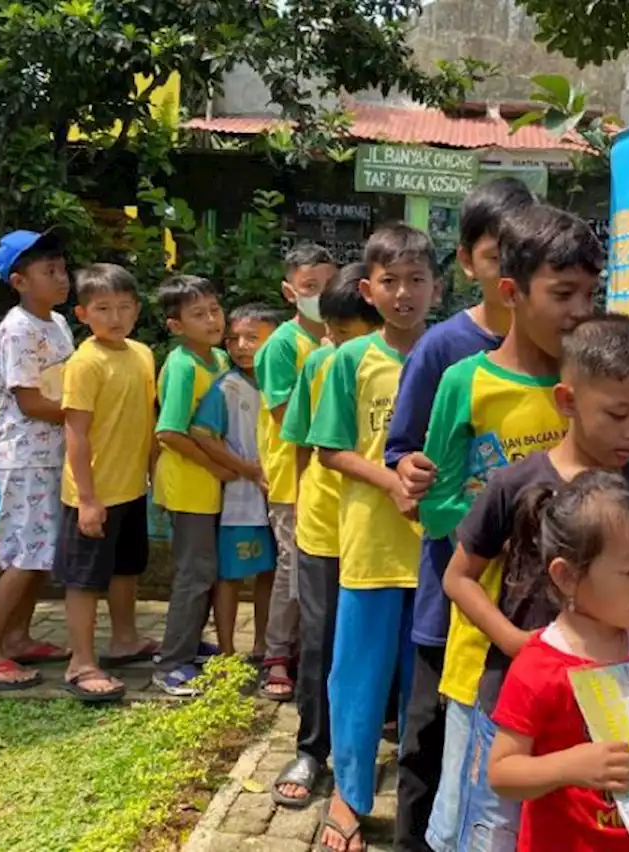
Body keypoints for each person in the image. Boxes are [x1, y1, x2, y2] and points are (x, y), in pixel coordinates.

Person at [442, 314, 629, 850]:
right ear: (567, 400)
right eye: (617, 414)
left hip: (609, 708)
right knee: (493, 829)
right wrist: (512, 641)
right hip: (516, 694)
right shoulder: (514, 483)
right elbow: (458, 577)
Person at [418, 203, 600, 852]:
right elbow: (435, 510)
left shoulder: (592, 385)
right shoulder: (466, 383)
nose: (580, 310)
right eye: (562, 294)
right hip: (490, 650)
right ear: (511, 293)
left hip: (581, 646)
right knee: (479, 818)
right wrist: (507, 513)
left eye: (590, 292)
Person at [385, 177, 535, 852]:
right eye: (493, 253)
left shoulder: (563, 348)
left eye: (519, 252)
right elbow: (403, 451)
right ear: (470, 260)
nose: (507, 267)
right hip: (450, 588)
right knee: (426, 734)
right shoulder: (444, 350)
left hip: (534, 602)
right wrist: (407, 472)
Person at [310, 224, 438, 852]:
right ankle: (348, 795)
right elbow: (329, 449)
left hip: (438, 551)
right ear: (368, 289)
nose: (404, 293)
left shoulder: (452, 358)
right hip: (370, 545)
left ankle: (431, 804)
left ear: (438, 286)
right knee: (356, 676)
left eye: (417, 280)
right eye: (390, 281)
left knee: (428, 688)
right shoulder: (348, 361)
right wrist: (388, 481)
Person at [487, 470, 629, 852]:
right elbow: (501, 772)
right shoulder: (538, 668)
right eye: (628, 571)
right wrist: (570, 766)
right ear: (566, 576)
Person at [274, 262, 382, 808]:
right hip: (324, 526)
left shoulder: (412, 361)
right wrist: (296, 511)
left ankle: (373, 740)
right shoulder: (320, 363)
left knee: (376, 643)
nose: (333, 341)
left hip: (386, 530)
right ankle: (312, 749)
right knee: (319, 640)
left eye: (345, 332)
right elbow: (297, 441)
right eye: (332, 331)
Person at [0, 230, 74, 690]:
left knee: (41, 554)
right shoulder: (18, 330)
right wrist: (89, 410)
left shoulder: (57, 323)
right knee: (25, 556)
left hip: (54, 453)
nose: (62, 279)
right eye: (50, 272)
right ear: (19, 280)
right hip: (28, 456)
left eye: (63, 270)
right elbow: (31, 403)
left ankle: (18, 636)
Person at [53, 263, 158, 702]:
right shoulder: (84, 362)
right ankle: (80, 661)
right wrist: (89, 498)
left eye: (124, 307)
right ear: (83, 314)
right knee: (84, 579)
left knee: (125, 568)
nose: (115, 317)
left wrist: (152, 469)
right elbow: (75, 433)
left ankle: (124, 640)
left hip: (132, 487)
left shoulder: (142, 353)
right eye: (103, 308)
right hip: (92, 493)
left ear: (136, 309)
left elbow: (145, 417)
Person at [256, 243, 338, 701]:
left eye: (328, 285)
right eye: (310, 287)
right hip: (292, 478)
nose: (321, 295)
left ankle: (310, 652)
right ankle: (276, 656)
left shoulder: (338, 340)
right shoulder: (283, 345)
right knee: (293, 568)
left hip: (325, 478)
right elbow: (287, 415)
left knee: (315, 571)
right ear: (290, 292)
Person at [152, 275, 233, 696]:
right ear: (176, 325)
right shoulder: (183, 365)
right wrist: (216, 468)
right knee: (193, 574)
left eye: (215, 310)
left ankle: (188, 644)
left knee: (208, 569)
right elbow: (169, 432)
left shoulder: (218, 358)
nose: (211, 320)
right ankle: (171, 663)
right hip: (189, 487)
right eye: (198, 314)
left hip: (209, 487)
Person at [191, 303, 281, 659]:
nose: (242, 346)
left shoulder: (283, 382)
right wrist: (247, 469)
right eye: (234, 339)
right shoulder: (227, 386)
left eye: (252, 338)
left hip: (279, 493)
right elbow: (201, 434)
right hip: (241, 499)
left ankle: (264, 644)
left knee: (271, 572)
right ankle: (227, 650)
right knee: (230, 574)